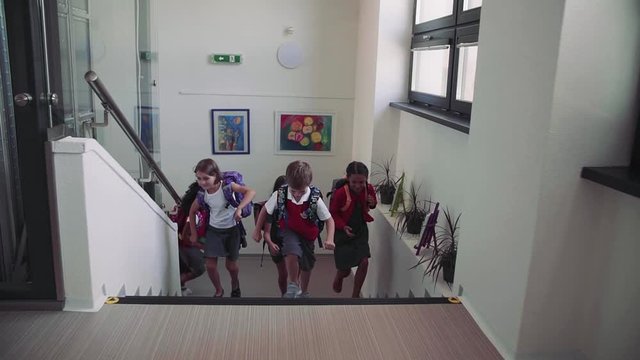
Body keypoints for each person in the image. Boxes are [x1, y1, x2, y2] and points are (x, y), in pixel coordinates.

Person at [262, 161, 335, 298]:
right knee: (289, 258)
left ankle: (302, 291)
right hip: (284, 233)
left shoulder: (313, 199)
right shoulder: (279, 196)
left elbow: (329, 220)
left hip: (306, 234)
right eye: (293, 191)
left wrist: (329, 238)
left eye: (300, 191)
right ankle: (291, 288)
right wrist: (262, 236)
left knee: (306, 265)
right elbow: (265, 216)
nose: (296, 195)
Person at [189, 158, 256, 297]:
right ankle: (219, 290)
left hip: (232, 231)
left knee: (231, 266)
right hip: (214, 231)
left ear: (216, 176)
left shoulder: (227, 187)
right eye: (199, 178)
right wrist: (193, 233)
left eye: (206, 178)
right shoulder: (202, 194)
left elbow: (250, 192)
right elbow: (192, 211)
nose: (202, 182)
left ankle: (235, 283)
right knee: (210, 265)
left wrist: (239, 208)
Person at [329, 161, 377, 298]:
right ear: (348, 179)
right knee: (345, 270)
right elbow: (333, 213)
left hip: (360, 230)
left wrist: (372, 203)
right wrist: (343, 226)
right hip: (342, 232)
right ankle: (340, 275)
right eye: (354, 182)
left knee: (364, 261)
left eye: (361, 182)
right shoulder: (340, 193)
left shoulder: (369, 188)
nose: (358, 185)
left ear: (366, 179)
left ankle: (355, 296)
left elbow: (372, 204)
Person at [252, 175, 288, 295]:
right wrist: (271, 244)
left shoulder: (296, 205)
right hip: (275, 241)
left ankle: (295, 296)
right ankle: (284, 295)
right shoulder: (272, 208)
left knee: (295, 274)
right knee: (283, 274)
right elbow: (267, 233)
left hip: (292, 242)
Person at [168, 182, 205, 296]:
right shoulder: (193, 215)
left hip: (177, 241)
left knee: (184, 266)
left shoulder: (182, 206)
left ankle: (180, 286)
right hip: (185, 244)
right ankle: (176, 284)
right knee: (199, 268)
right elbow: (185, 237)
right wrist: (201, 246)